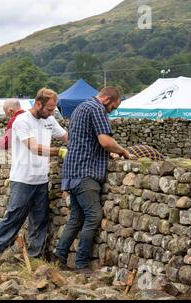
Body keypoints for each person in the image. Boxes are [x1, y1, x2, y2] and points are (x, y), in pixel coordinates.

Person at [0, 88, 68, 266]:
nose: (52, 113)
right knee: (14, 217)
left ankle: (35, 256)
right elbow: (34, 147)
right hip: (22, 178)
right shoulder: (21, 121)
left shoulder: (49, 120)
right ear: (38, 104)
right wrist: (58, 151)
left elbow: (66, 136)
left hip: (41, 178)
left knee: (40, 219)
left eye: (53, 109)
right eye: (49, 109)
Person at [55, 87, 136, 276]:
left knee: (76, 218)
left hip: (72, 170)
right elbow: (105, 141)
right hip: (86, 172)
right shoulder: (97, 109)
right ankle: (82, 263)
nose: (111, 111)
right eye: (113, 108)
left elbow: (85, 140)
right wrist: (123, 152)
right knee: (93, 216)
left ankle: (59, 258)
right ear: (107, 99)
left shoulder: (81, 107)